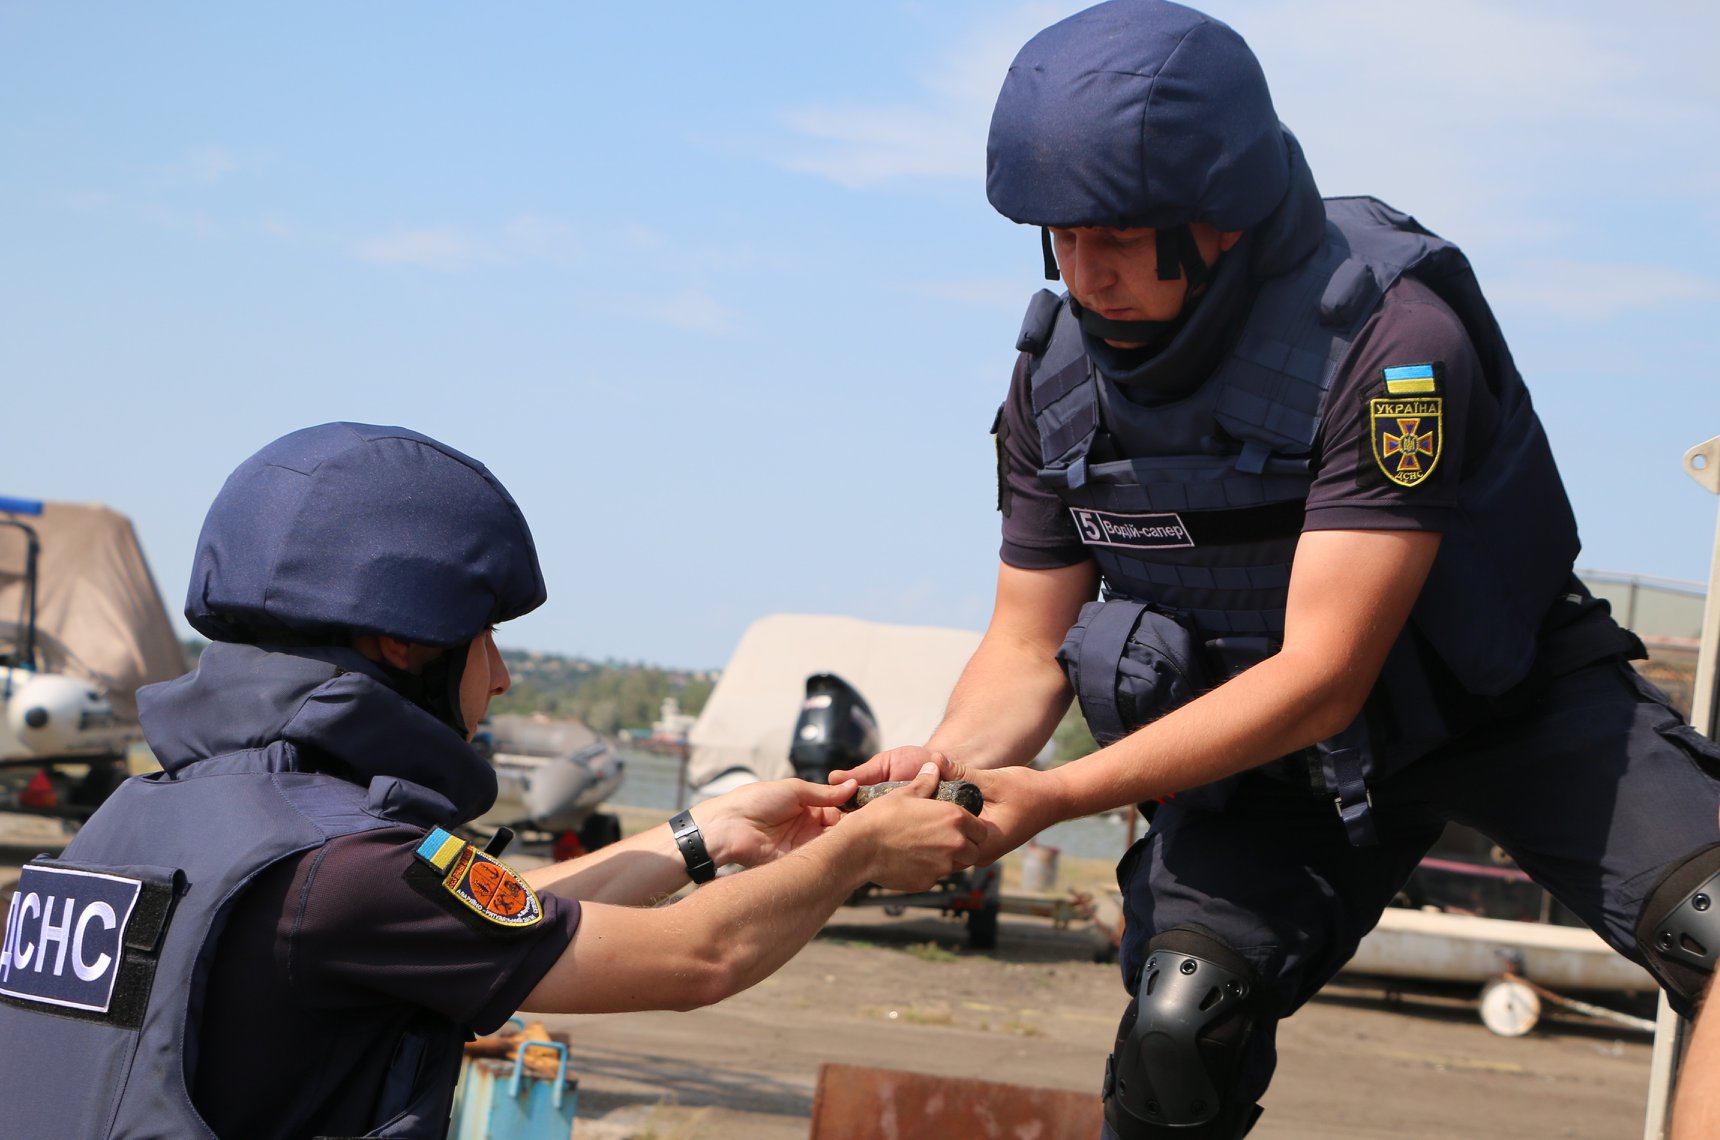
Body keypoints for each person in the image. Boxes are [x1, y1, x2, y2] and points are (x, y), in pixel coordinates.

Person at [835, 3, 1720, 1136]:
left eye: (1116, 235)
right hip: (1265, 772)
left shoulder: (1389, 342)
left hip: (1501, 706)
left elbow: (1324, 674)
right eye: (1059, 235)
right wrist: (947, 774)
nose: (1083, 270)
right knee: (1178, 1029)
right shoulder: (1054, 387)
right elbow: (1022, 646)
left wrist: (1053, 796)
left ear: (1223, 216)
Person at [0, 422, 983, 1140]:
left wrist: (707, 834)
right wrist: (862, 848)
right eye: (488, 639)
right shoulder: (336, 866)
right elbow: (699, 960)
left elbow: (497, 923)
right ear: (405, 640)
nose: (502, 675)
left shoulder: (160, 821)